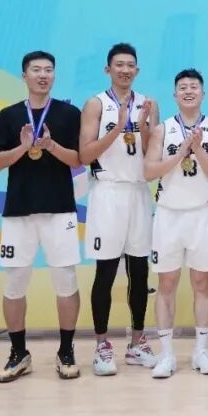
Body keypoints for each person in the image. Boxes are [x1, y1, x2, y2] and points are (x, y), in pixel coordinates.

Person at [0, 51, 83, 382]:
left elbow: (78, 160)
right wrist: (23, 147)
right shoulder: (9, 115)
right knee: (14, 282)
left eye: (49, 70)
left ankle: (66, 351)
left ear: (54, 76)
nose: (43, 75)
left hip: (60, 209)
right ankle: (19, 353)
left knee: (66, 280)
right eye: (36, 69)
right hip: (19, 210)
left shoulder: (69, 114)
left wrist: (51, 146)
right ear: (24, 75)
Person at [79, 43, 159, 375]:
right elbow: (85, 154)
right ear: (108, 69)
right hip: (108, 193)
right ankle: (102, 346)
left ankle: (138, 341)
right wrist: (118, 126)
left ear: (137, 70)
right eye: (119, 65)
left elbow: (153, 153)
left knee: (140, 273)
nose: (125, 70)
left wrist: (142, 126)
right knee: (106, 272)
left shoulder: (149, 103)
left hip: (138, 192)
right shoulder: (96, 104)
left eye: (130, 65)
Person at [142, 69, 208, 378]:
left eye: (194, 86)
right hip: (168, 214)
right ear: (175, 95)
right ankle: (167, 355)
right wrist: (180, 152)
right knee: (166, 284)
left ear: (203, 94)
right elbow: (149, 172)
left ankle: (201, 351)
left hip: (202, 214)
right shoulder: (162, 130)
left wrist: (198, 148)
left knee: (202, 284)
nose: (188, 91)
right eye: (183, 87)